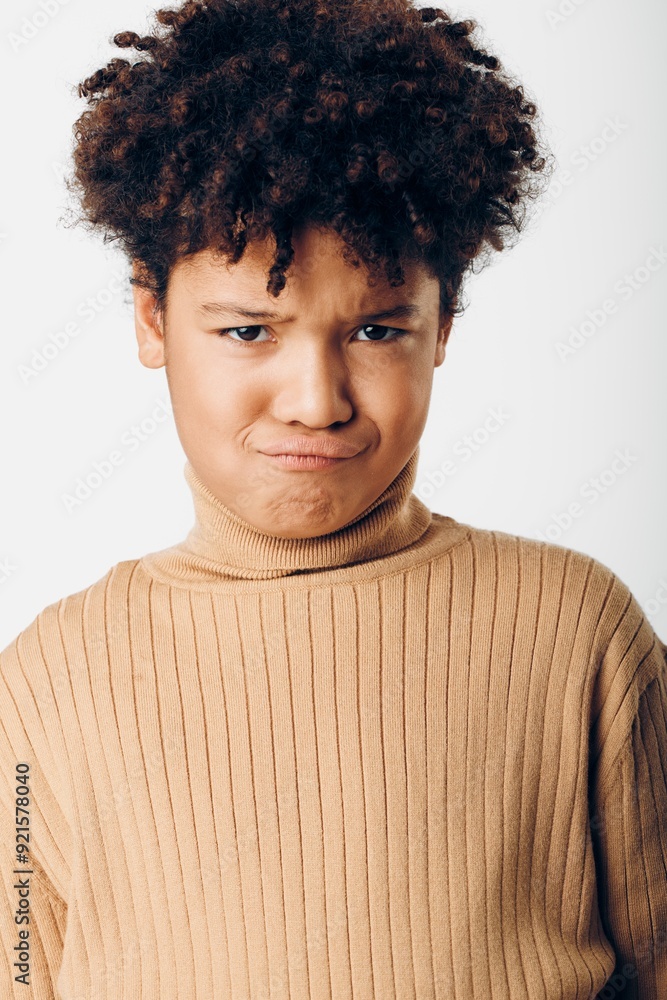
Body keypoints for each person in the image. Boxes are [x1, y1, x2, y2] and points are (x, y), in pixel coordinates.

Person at [1, 0, 665, 996]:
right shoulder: (44, 683)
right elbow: (23, 963)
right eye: (247, 331)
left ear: (442, 323)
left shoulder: (577, 634)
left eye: (376, 331)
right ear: (151, 315)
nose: (316, 401)